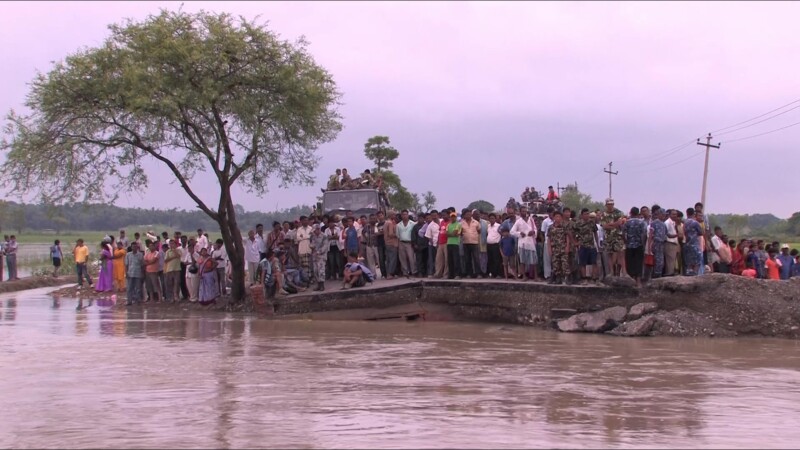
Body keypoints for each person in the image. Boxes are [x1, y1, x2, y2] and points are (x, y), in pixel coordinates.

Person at [623, 207, 647, 288]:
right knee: (639, 263)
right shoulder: (642, 223)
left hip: (629, 245)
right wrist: (643, 244)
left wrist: (626, 242)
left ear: (630, 213)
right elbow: (643, 234)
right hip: (639, 245)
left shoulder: (627, 222)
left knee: (630, 263)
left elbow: (623, 234)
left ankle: (631, 281)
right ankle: (638, 282)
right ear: (638, 213)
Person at [547, 211, 571, 285]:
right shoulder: (551, 227)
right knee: (555, 264)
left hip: (563, 248)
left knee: (565, 263)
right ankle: (558, 278)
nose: (558, 218)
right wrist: (549, 249)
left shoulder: (564, 226)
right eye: (556, 217)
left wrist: (567, 247)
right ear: (554, 218)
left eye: (559, 217)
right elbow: (549, 239)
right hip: (554, 248)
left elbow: (567, 237)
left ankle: (567, 278)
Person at [310, 224, 329, 291]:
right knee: (315, 270)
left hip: (321, 256)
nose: (315, 232)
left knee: (321, 270)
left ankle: (322, 285)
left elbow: (325, 246)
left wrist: (319, 252)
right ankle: (318, 284)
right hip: (314, 256)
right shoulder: (313, 236)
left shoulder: (324, 236)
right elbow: (312, 244)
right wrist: (311, 246)